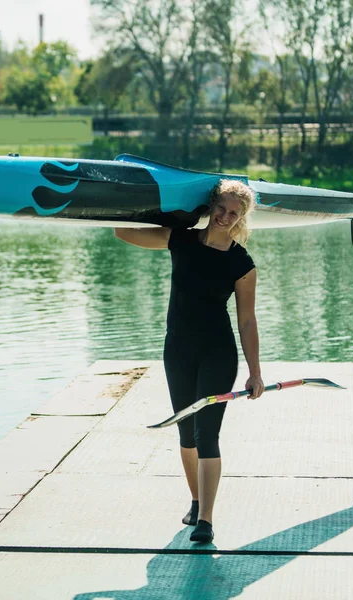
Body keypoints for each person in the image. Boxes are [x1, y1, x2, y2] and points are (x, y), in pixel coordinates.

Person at [114, 179, 264, 543]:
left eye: (234, 213)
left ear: (241, 218)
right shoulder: (180, 239)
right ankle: (196, 502)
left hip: (217, 353)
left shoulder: (241, 263)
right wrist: (182, 214)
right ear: (211, 205)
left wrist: (255, 372)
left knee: (206, 434)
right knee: (185, 432)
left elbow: (246, 320)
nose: (226, 217)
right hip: (177, 351)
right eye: (221, 208)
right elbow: (122, 232)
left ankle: (207, 521)